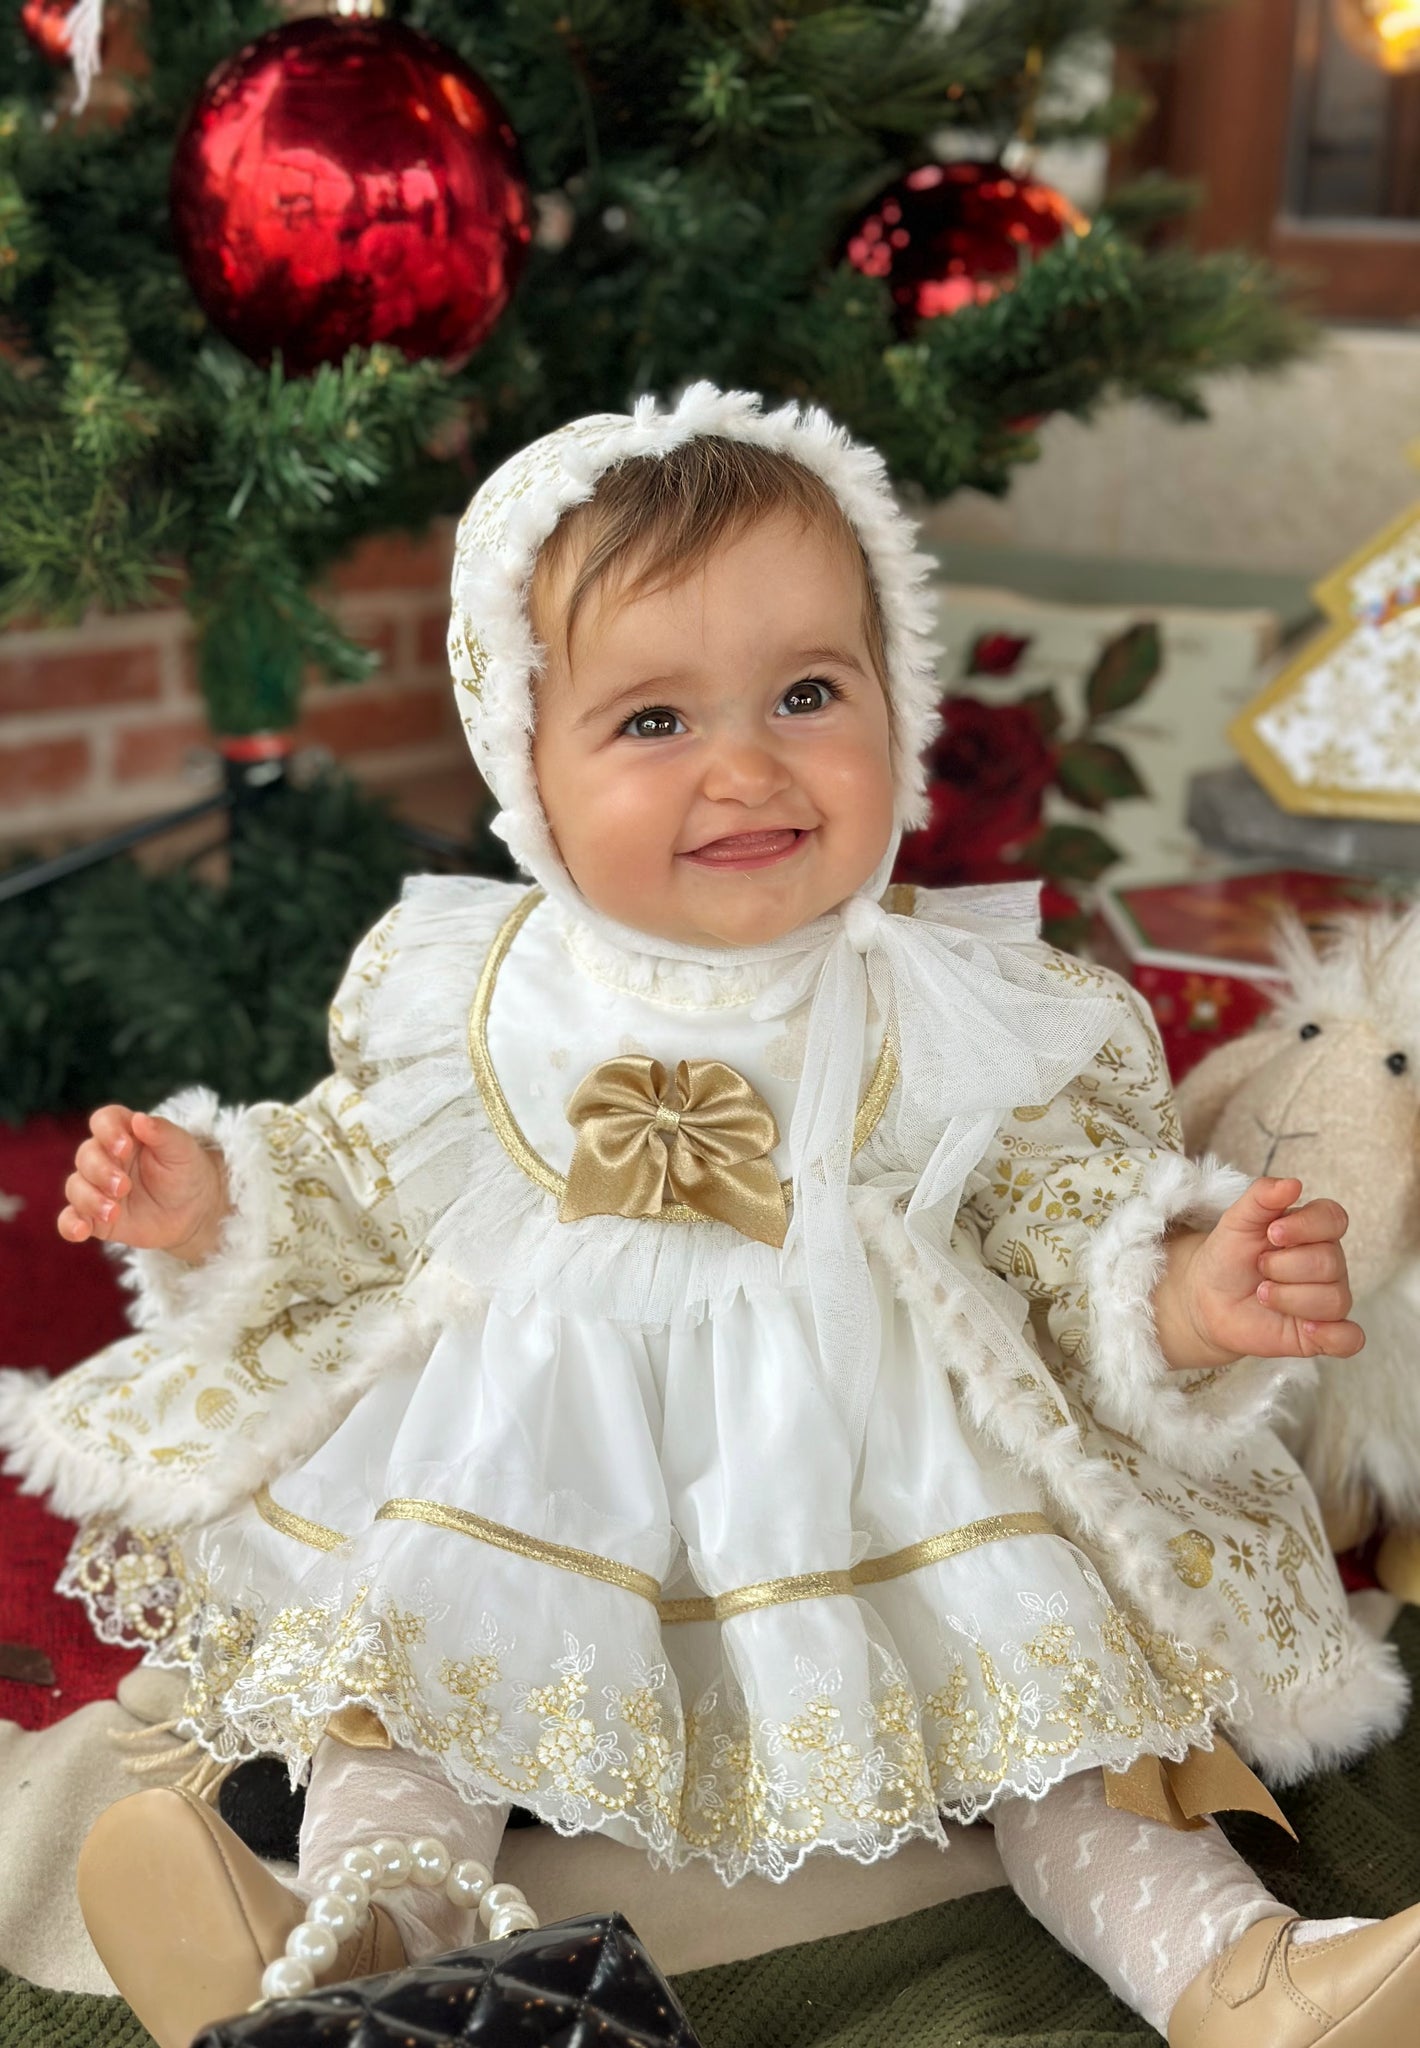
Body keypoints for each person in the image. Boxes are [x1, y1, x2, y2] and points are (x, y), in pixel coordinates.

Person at [3, 382, 1416, 2048]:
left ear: (898, 698)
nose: (748, 767)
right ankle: (371, 1946)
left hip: (878, 1469)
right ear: (524, 766)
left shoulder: (950, 995)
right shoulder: (485, 993)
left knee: (1074, 1708)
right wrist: (215, 1201)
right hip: (544, 1460)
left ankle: (1236, 1973)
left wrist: (1180, 1294)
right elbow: (360, 1178)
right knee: (408, 1679)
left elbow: (1060, 1216)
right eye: (655, 720)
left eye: (808, 692)